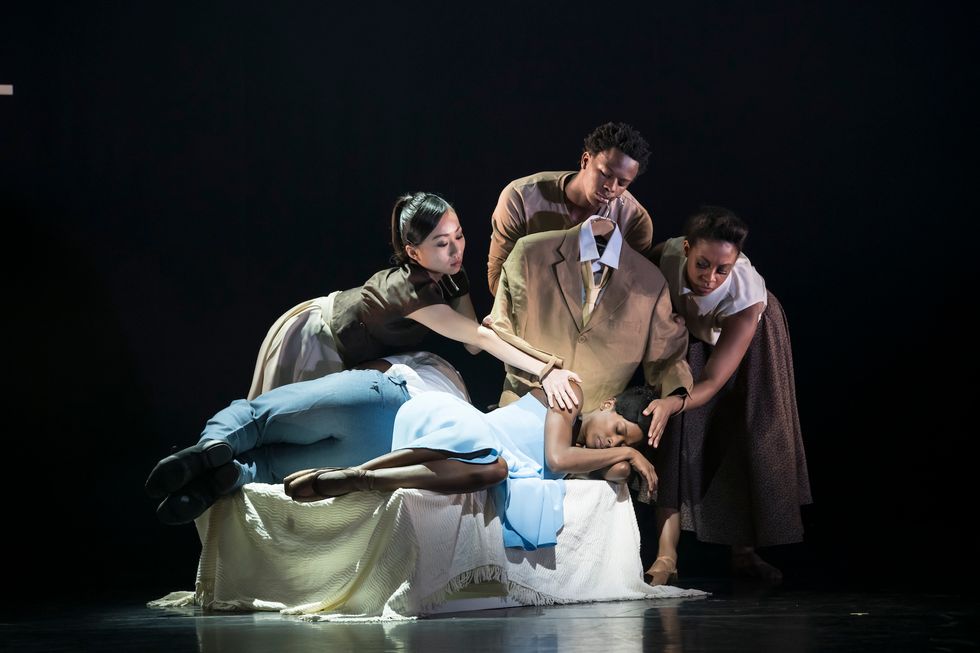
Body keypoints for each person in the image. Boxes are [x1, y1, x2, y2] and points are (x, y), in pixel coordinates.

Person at [247, 190, 580, 410]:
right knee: (282, 420)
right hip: (317, 337)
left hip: (355, 349)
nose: (455, 250)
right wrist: (546, 371)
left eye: (459, 236)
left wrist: (486, 324)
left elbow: (474, 344)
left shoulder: (450, 276)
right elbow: (478, 337)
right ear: (412, 251)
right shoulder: (408, 290)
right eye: (440, 243)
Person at [642, 206, 811, 585]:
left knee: (745, 433)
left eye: (723, 269)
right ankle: (666, 557)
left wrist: (676, 400)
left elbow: (713, 380)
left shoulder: (746, 300)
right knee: (673, 436)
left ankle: (745, 553)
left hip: (753, 342)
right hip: (690, 331)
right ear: (686, 248)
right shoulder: (664, 255)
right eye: (703, 264)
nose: (711, 278)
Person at [284, 384, 662, 551]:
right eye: (617, 431)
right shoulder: (569, 395)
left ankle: (361, 479)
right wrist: (629, 454)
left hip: (476, 458)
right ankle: (360, 471)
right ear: (609, 404)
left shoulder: (588, 455)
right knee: (493, 462)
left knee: (495, 470)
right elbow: (556, 459)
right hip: (456, 424)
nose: (613, 444)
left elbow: (615, 474)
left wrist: (628, 457)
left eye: (623, 444)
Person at [145, 351, 471, 525]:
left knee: (256, 420)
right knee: (271, 467)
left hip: (382, 396)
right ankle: (230, 477)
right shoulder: (466, 418)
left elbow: (365, 370)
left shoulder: (435, 363)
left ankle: (211, 447)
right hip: (389, 449)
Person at [485, 213, 694, 447]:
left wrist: (674, 399)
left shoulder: (651, 282)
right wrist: (545, 369)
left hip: (591, 432)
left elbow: (667, 356)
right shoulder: (531, 252)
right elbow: (498, 329)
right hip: (522, 411)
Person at [487, 121, 655, 295]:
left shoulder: (636, 221)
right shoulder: (519, 198)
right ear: (586, 160)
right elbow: (497, 278)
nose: (611, 187)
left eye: (622, 183)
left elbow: (632, 292)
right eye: (605, 174)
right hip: (527, 314)